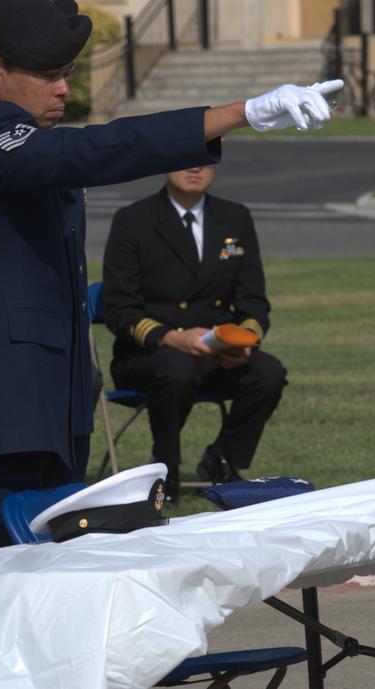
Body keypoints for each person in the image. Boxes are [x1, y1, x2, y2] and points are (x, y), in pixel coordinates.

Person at [0, 0, 341, 689]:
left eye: (69, 70)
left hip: (41, 410)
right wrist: (241, 111)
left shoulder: (20, 141)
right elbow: (98, 150)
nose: (64, 87)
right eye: (47, 72)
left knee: (46, 609)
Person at [102, 163, 286, 498]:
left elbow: (253, 302)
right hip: (148, 354)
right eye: (184, 159)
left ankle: (222, 458)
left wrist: (241, 343)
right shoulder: (133, 220)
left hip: (215, 354)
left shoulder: (235, 218)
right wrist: (173, 338)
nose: (195, 167)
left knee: (269, 372)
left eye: (205, 160)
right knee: (177, 368)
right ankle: (165, 467)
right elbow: (119, 308)